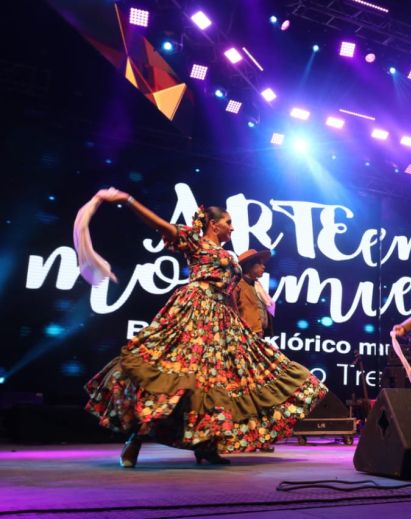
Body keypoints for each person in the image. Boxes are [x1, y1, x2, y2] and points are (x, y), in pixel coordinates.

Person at [83, 189, 327, 467]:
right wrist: (128, 200)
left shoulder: (227, 254)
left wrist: (242, 327)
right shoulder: (195, 243)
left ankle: (206, 446)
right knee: (171, 374)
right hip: (195, 312)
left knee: (219, 382)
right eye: (228, 222)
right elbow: (160, 225)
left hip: (223, 319)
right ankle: (134, 440)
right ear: (213, 224)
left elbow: (232, 292)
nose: (232, 227)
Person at [234, 249, 274, 338]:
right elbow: (232, 310)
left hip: (259, 334)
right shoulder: (237, 285)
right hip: (246, 334)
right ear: (249, 265)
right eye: (259, 263)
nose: (263, 266)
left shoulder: (257, 286)